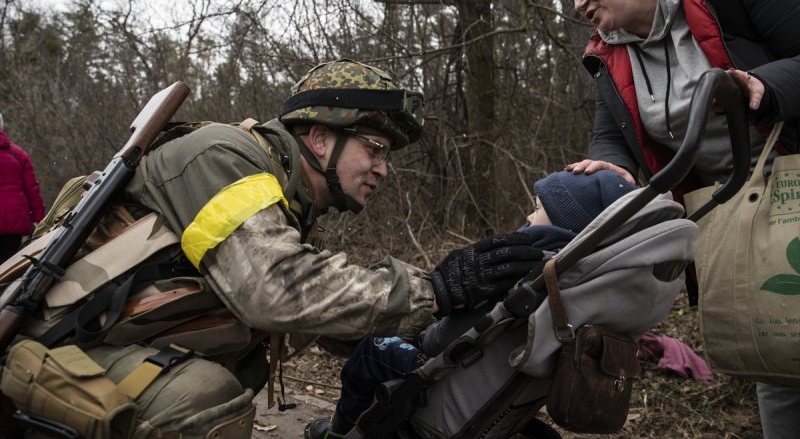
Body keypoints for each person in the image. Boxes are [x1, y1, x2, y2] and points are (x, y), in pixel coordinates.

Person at [0, 60, 542, 438]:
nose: (383, 168)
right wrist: (432, 290)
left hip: (101, 342)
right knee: (202, 396)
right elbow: (274, 291)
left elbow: (298, 309)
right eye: (374, 148)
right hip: (50, 349)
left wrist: (419, 333)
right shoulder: (227, 158)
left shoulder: (284, 192)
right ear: (320, 137)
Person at [558, 0, 800, 439]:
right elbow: (611, 137)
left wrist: (763, 86)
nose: (578, 3)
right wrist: (612, 166)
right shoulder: (610, 52)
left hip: (792, 180)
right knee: (778, 348)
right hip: (733, 214)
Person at [306, 169, 638, 439]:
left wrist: (430, 321)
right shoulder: (592, 290)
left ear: (565, 224)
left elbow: (442, 339)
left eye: (537, 208)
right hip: (496, 406)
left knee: (372, 351)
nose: (527, 214)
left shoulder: (524, 277)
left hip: (444, 384)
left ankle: (342, 430)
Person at [0, 113, 45, 261]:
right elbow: (32, 190)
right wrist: (40, 220)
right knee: (7, 265)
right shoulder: (18, 154)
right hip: (14, 223)